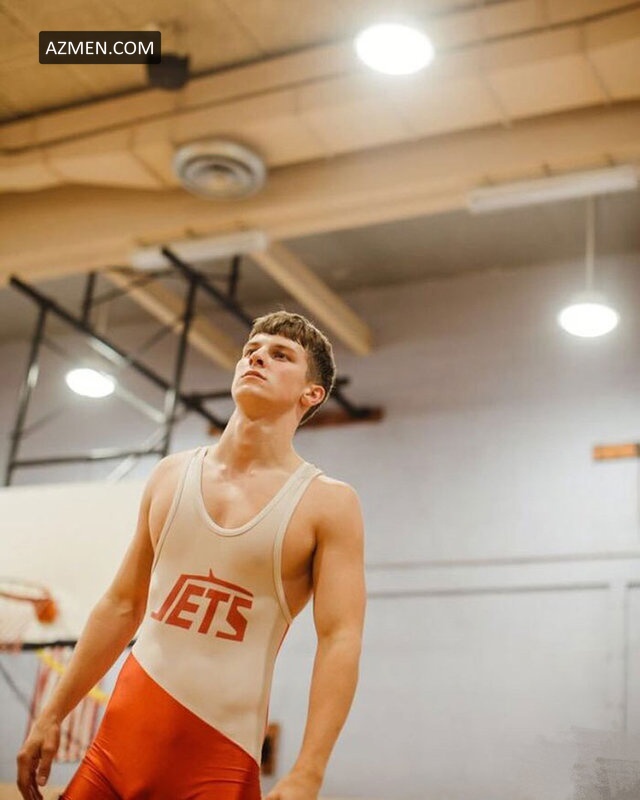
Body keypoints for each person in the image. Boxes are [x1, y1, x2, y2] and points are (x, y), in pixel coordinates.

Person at [17, 310, 366, 800]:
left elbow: (340, 639)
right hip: (114, 755)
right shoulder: (170, 475)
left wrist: (309, 770)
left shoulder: (327, 502)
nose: (257, 358)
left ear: (312, 394)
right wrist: (52, 713)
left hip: (217, 763)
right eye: (251, 351)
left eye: (280, 355)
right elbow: (121, 605)